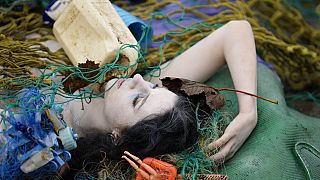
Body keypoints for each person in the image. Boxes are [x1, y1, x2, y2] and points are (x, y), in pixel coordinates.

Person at [60, 20, 257, 170]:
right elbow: (235, 31)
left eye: (137, 100)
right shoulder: (147, 83)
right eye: (153, 88)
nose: (138, 79)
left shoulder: (50, 140)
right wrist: (248, 113)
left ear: (118, 137)